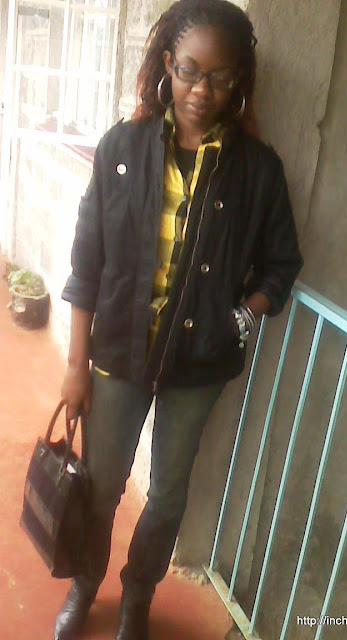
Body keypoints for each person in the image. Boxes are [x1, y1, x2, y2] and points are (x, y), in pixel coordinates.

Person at [55, 1, 303, 638]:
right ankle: (85, 584)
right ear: (168, 64)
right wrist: (76, 365)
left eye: (220, 77)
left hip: (199, 362)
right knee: (102, 485)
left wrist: (239, 317)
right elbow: (86, 262)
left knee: (167, 494)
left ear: (238, 79)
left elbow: (281, 265)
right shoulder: (122, 147)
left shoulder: (257, 170)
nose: (202, 90)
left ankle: (138, 594)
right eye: (190, 70)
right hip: (118, 352)